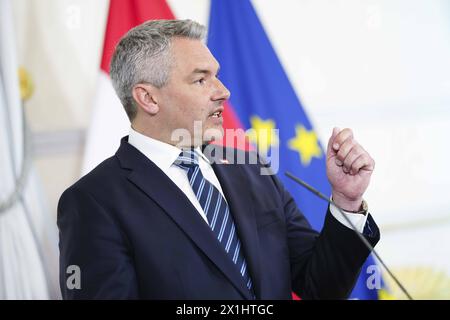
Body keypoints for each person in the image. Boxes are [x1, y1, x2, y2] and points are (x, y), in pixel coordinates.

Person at [57, 19, 380, 300]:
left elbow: (320, 287)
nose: (223, 91)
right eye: (201, 79)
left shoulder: (253, 170)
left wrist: (346, 201)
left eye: (217, 76)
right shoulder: (92, 201)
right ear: (148, 98)